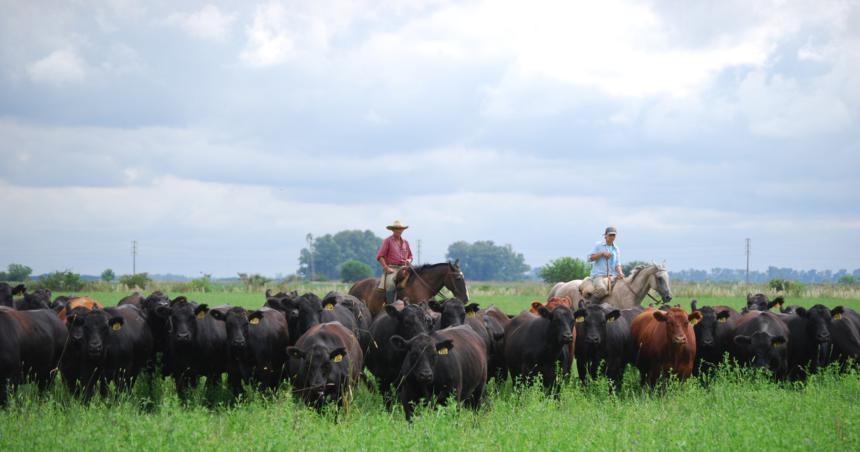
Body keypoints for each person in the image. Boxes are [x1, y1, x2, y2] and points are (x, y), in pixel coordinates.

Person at [376, 220, 413, 304]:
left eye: (400, 229)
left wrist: (408, 260)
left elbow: (410, 256)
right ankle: (390, 306)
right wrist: (386, 267)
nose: (398, 230)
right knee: (390, 285)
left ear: (402, 230)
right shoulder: (387, 241)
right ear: (393, 230)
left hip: (404, 268)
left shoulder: (406, 243)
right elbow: (380, 256)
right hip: (392, 268)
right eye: (396, 229)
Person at [586, 226, 624, 300]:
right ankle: (590, 307)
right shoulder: (598, 245)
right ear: (605, 236)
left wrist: (620, 273)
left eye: (614, 235)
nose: (612, 237)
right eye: (610, 235)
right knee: (602, 290)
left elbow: (617, 264)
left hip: (612, 276)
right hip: (598, 276)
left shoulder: (616, 249)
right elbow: (589, 258)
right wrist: (602, 254)